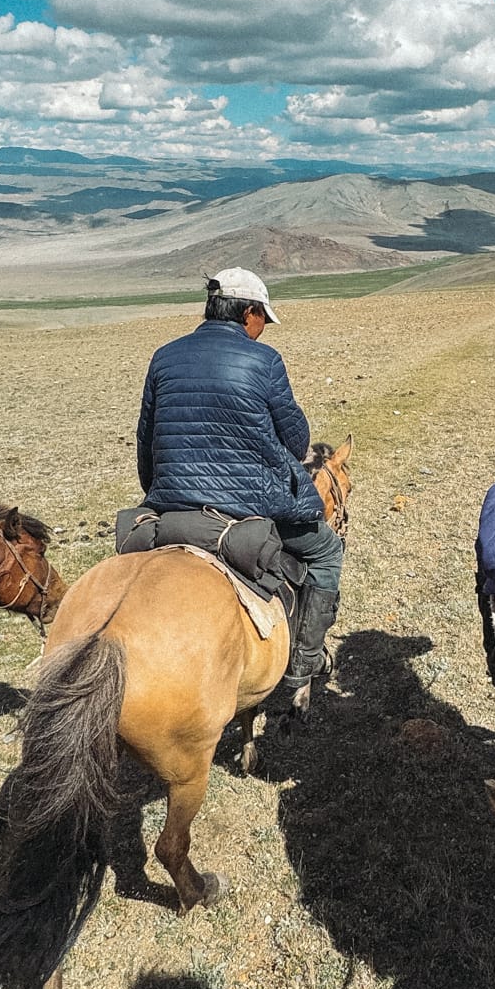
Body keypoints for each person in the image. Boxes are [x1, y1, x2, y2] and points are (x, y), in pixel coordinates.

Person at [136, 267, 342, 709]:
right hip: (246, 512)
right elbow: (297, 441)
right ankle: (303, 666)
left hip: (173, 510)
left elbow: (146, 440)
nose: (263, 328)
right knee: (327, 551)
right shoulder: (263, 361)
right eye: (262, 317)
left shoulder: (163, 356)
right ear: (247, 311)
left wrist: (161, 495)